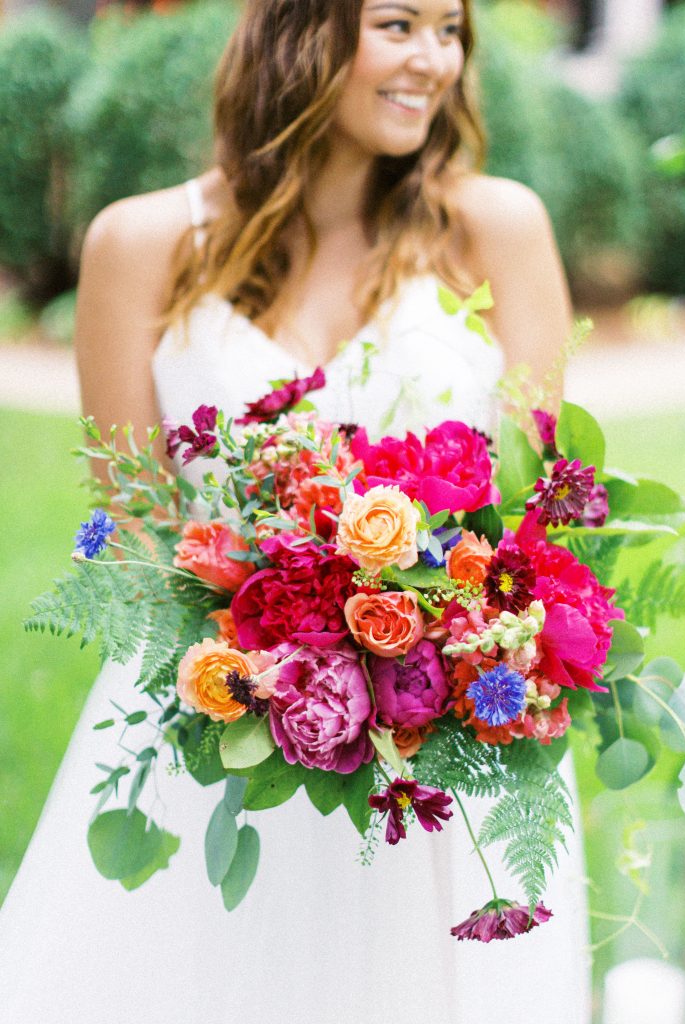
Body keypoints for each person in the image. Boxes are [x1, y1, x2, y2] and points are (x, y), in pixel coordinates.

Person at [0, 1, 591, 1021]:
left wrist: (436, 649)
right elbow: (139, 539)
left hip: (443, 759)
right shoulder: (141, 244)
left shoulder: (494, 229)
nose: (434, 60)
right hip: (215, 733)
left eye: (450, 31)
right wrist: (285, 662)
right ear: (301, 30)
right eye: (399, 24)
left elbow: (545, 517)